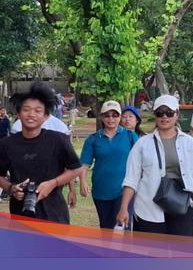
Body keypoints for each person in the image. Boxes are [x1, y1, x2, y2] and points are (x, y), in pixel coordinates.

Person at [117, 95, 193, 236]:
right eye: (159, 113)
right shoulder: (142, 144)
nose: (164, 117)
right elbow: (131, 178)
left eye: (169, 113)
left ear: (177, 114)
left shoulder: (189, 143)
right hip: (148, 208)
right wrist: (124, 207)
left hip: (182, 206)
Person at [0, 82, 82, 223]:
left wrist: (53, 183)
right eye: (26, 109)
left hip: (54, 214)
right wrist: (11, 188)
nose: (31, 114)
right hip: (21, 215)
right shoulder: (7, 144)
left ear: (45, 116)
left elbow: (76, 169)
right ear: (18, 113)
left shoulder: (58, 140)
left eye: (38, 110)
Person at [79, 101, 139, 229]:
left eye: (115, 115)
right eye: (107, 115)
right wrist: (83, 181)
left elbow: (140, 162)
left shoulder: (130, 136)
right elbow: (84, 164)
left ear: (119, 117)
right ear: (101, 117)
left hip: (124, 191)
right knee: (106, 228)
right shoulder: (93, 139)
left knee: (122, 228)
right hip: (101, 191)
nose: (111, 119)